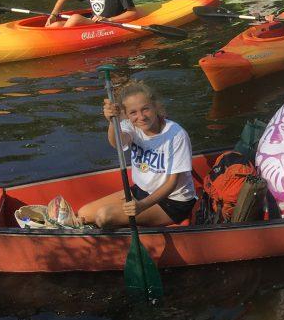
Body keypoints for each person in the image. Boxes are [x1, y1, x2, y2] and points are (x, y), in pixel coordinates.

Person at [79, 80, 197, 228]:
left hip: (172, 202)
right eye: (133, 112)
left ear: (155, 107)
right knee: (83, 214)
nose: (141, 117)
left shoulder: (176, 134)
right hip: (141, 191)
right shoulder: (131, 126)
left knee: (103, 217)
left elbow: (172, 183)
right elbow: (117, 142)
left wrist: (142, 206)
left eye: (145, 109)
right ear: (126, 115)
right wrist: (112, 122)